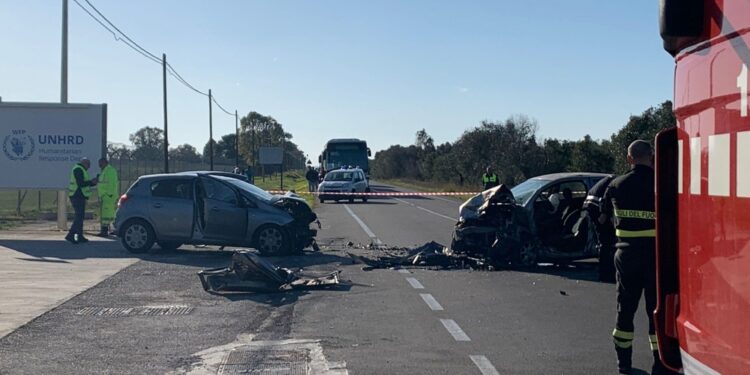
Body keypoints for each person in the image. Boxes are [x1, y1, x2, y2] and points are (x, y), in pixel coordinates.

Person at [599, 140, 676, 375]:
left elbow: (602, 219)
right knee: (656, 310)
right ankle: (660, 364)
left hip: (626, 255)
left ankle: (624, 364)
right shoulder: (662, 185)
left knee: (625, 309)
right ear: (651, 157)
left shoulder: (616, 185)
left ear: (629, 158)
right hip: (656, 257)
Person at [584, 175, 617, 282]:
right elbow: (607, 199)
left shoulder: (609, 180)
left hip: (591, 204)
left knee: (604, 240)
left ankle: (605, 271)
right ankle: (606, 273)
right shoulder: (614, 183)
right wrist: (605, 214)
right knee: (606, 241)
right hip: (596, 206)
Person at [65, 157, 97, 244]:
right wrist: (91, 182)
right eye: (88, 165)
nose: (89, 167)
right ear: (85, 163)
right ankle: (71, 235)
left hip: (79, 196)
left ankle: (79, 236)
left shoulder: (81, 169)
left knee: (80, 216)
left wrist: (91, 183)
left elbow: (84, 183)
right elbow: (81, 183)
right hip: (77, 195)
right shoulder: (78, 169)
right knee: (79, 217)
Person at [96, 158, 119, 237]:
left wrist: (109, 194)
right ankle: (110, 229)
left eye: (100, 163)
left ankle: (105, 231)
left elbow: (112, 183)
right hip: (105, 196)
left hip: (108, 196)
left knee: (107, 214)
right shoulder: (105, 170)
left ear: (104, 162)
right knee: (108, 214)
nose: (99, 165)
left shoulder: (110, 171)